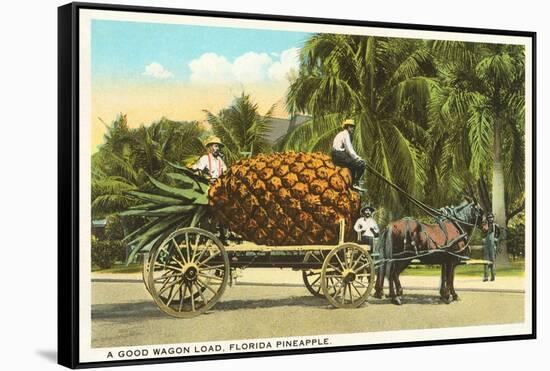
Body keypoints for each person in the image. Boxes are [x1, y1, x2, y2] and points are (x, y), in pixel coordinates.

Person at [332, 119, 367, 192]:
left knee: (352, 164)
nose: (353, 129)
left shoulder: (341, 134)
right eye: (351, 127)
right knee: (361, 164)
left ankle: (351, 182)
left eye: (353, 127)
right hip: (339, 154)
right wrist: (358, 158)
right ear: (347, 127)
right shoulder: (346, 134)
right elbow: (349, 149)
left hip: (335, 155)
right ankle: (355, 183)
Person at [481, 212, 500, 281]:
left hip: (492, 245)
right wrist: (483, 238)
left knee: (492, 260)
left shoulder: (496, 226)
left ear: (493, 218)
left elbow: (498, 234)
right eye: (489, 217)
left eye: (491, 217)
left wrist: (496, 239)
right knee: (485, 260)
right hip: (486, 245)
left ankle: (493, 276)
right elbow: (482, 233)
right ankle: (486, 276)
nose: (490, 219)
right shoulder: (485, 226)